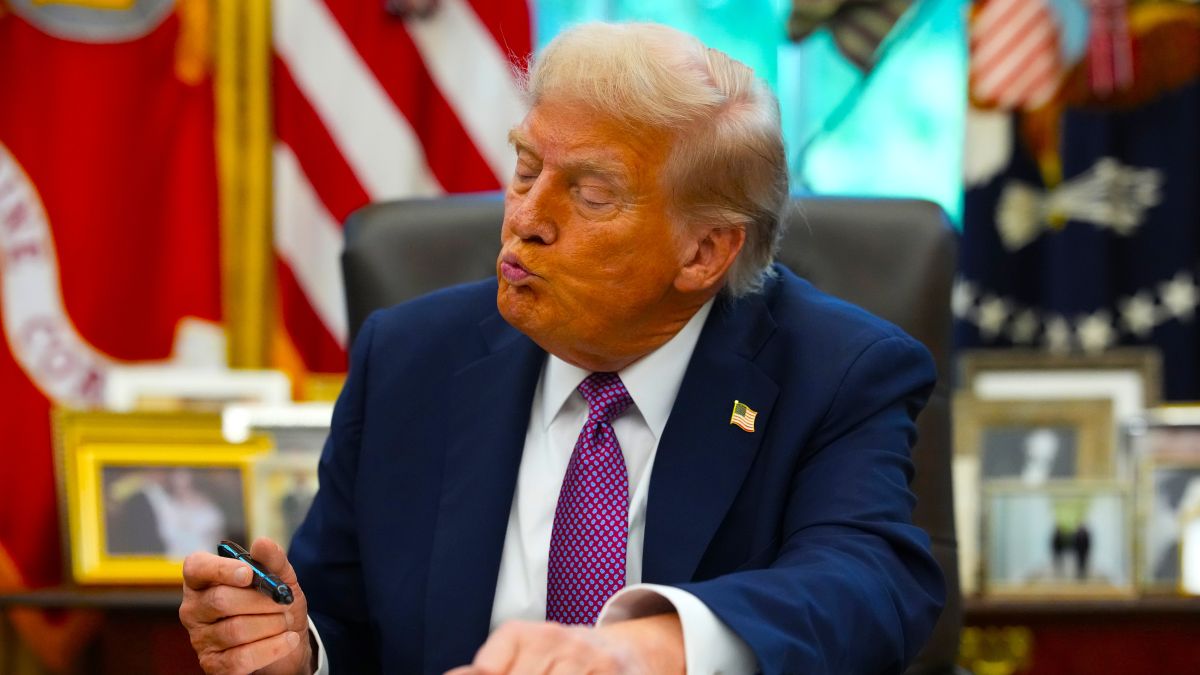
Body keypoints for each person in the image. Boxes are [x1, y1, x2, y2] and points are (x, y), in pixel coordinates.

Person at [179, 22, 944, 674]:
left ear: (704, 253)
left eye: (590, 194)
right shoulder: (410, 359)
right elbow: (338, 616)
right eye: (526, 168)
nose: (525, 219)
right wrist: (293, 647)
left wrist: (639, 648)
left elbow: (869, 584)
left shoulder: (837, 372)